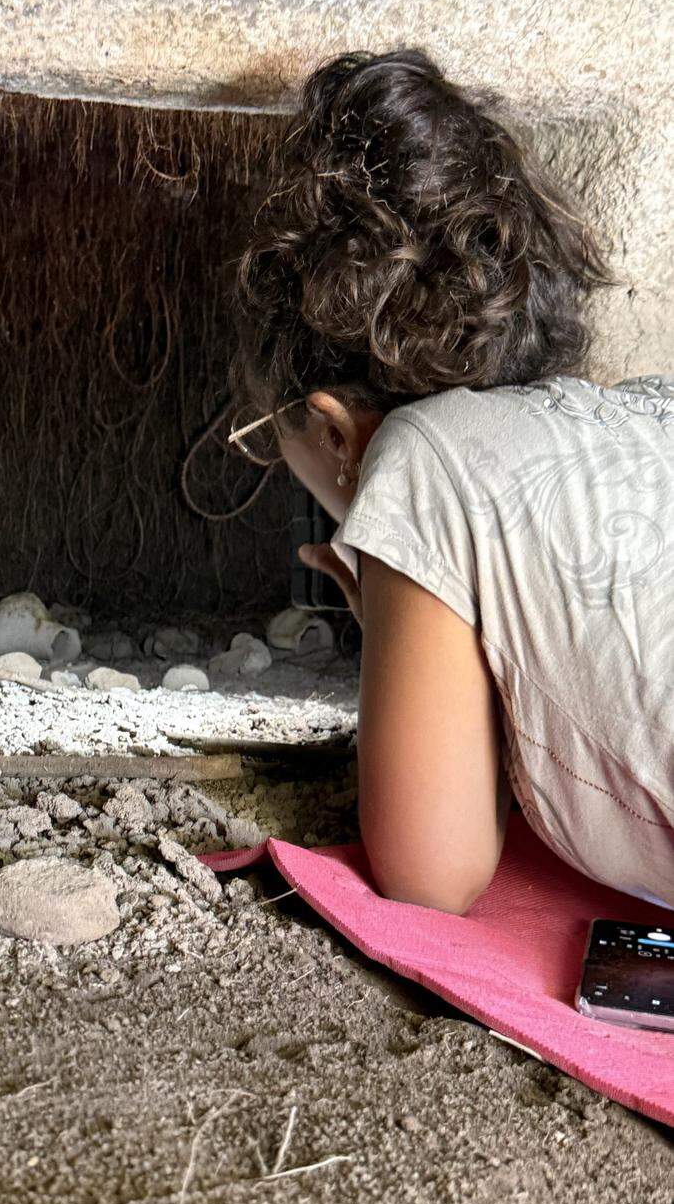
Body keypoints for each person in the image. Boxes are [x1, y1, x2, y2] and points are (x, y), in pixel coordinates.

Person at [231, 48, 674, 913]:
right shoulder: (652, 409)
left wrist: (391, 612)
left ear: (333, 432)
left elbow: (434, 876)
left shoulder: (419, 455)